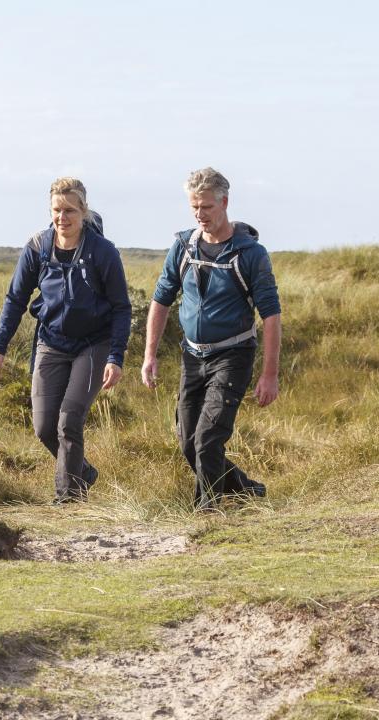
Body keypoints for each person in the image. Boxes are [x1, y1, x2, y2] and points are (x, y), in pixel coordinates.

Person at [141, 167, 281, 509]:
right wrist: (150, 355)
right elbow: (160, 300)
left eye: (206, 207)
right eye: (194, 207)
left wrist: (270, 374)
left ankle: (208, 511)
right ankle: (245, 488)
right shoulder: (183, 247)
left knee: (207, 440)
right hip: (192, 356)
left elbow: (271, 315)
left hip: (233, 356)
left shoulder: (250, 254)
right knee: (189, 442)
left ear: (225, 202)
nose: (200, 215)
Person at [0, 177, 131, 504]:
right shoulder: (38, 247)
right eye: (56, 210)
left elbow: (122, 307)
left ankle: (68, 498)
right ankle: (83, 471)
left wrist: (115, 356)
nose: (62, 217)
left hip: (94, 344)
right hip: (51, 342)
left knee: (69, 419)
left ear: (83, 211)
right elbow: (15, 299)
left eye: (69, 210)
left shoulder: (102, 252)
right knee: (43, 427)